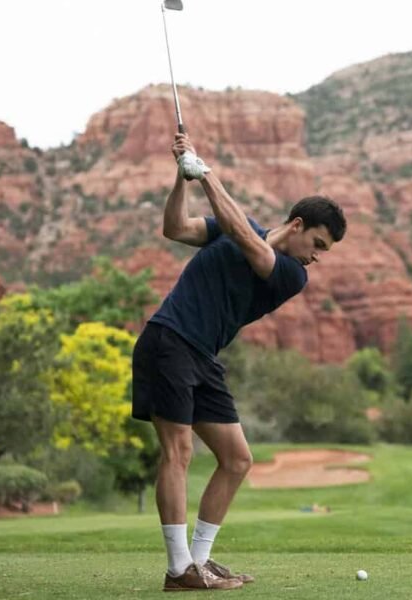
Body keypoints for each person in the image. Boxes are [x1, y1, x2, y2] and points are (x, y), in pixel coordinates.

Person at [131, 133, 346, 591]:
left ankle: (201, 560)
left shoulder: (291, 274)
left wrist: (204, 169)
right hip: (169, 340)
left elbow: (246, 238)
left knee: (237, 459)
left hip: (202, 356)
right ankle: (179, 569)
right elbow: (175, 228)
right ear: (298, 224)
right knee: (179, 452)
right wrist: (182, 176)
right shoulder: (236, 228)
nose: (316, 257)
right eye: (318, 243)